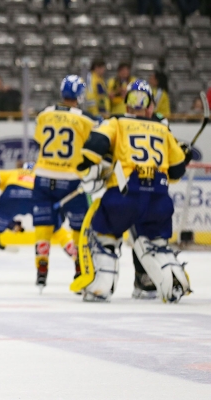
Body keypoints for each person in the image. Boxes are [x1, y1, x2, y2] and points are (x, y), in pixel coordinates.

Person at [75, 80, 191, 302]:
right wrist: (181, 154)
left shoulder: (117, 121)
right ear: (150, 107)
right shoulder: (162, 129)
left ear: (127, 104)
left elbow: (94, 147)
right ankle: (172, 280)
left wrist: (92, 163)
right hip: (158, 196)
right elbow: (176, 172)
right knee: (156, 241)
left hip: (125, 192)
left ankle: (102, 285)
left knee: (104, 236)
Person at [0, 163, 79, 282]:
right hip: (36, 196)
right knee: (54, 231)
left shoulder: (14, 172)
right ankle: (50, 264)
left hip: (12, 194)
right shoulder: (42, 176)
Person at [31, 75, 98, 290]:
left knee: (43, 226)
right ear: (80, 95)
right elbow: (94, 145)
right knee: (80, 228)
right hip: (71, 181)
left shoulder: (44, 114)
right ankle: (80, 270)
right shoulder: (86, 119)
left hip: (42, 177)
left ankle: (41, 271)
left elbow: (40, 139)